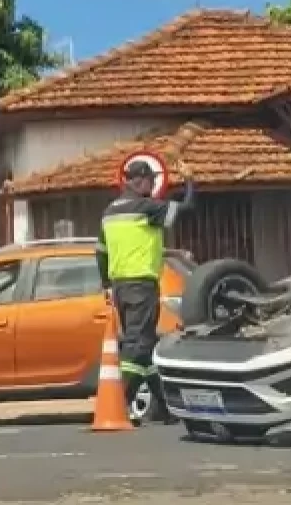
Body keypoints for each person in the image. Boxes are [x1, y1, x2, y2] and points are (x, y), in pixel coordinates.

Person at [95, 158, 195, 425]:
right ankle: (120, 403)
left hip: (119, 288)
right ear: (139, 181)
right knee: (136, 347)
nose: (153, 187)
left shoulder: (109, 212)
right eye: (151, 181)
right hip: (142, 285)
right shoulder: (146, 207)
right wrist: (189, 181)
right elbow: (186, 208)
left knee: (145, 345)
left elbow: (101, 253)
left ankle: (164, 407)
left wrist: (105, 284)